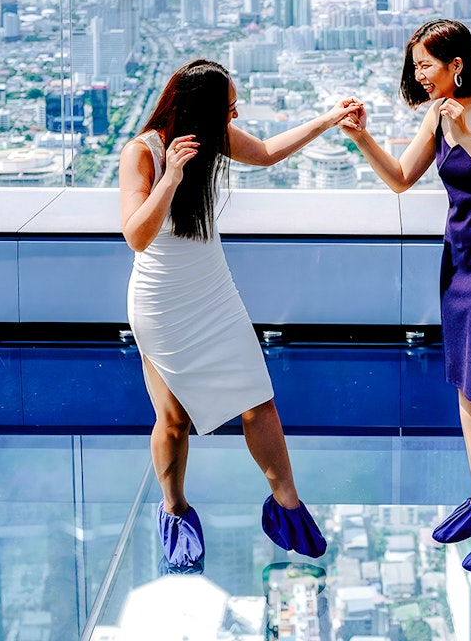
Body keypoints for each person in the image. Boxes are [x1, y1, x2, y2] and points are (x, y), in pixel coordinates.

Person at [119, 58, 362, 571]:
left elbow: (270, 153)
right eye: (228, 106)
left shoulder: (214, 138)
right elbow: (136, 236)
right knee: (173, 419)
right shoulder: (143, 151)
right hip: (161, 302)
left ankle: (288, 507)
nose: (236, 113)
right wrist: (172, 178)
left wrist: (328, 118)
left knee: (260, 401)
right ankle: (175, 512)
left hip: (213, 293)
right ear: (198, 110)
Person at [339, 19, 471, 572]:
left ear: (456, 63)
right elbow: (402, 177)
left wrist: (469, 138)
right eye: (415, 68)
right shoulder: (437, 112)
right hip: (459, 258)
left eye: (425, 65)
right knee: (463, 381)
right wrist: (361, 137)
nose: (419, 76)